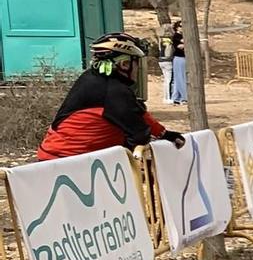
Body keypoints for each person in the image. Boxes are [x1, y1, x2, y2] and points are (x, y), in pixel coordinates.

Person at [36, 33, 185, 160]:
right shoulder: (114, 91)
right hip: (68, 163)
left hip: (55, 157)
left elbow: (137, 113)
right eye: (136, 62)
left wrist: (164, 133)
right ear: (125, 64)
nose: (138, 68)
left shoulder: (92, 78)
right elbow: (140, 134)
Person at [167, 19, 188, 106]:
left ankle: (176, 98)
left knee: (180, 78)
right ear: (177, 28)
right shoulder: (176, 36)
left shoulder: (183, 36)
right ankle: (184, 97)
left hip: (183, 59)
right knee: (180, 78)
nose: (183, 28)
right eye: (181, 26)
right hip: (179, 59)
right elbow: (181, 46)